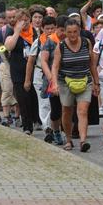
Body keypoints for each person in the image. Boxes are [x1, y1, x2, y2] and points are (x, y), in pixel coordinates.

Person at [50, 18, 100, 152]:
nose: (72, 35)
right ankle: (68, 139)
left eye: (75, 32)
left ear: (79, 31)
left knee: (83, 111)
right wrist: (54, 83)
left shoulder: (86, 42)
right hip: (66, 81)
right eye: (69, 32)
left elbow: (91, 64)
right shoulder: (61, 46)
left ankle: (83, 141)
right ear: (65, 32)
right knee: (67, 110)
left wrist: (96, 82)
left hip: (84, 80)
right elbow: (55, 66)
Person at [4, 8, 40, 135]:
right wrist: (17, 31)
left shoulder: (35, 34)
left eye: (26, 20)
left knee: (33, 98)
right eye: (21, 20)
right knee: (23, 99)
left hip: (35, 72)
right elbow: (9, 47)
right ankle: (27, 126)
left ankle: (37, 119)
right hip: (18, 72)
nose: (24, 23)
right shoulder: (11, 34)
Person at [25, 15, 56, 142]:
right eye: (47, 29)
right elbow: (31, 62)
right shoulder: (38, 43)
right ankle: (47, 127)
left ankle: (55, 126)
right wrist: (27, 80)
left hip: (55, 75)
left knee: (54, 103)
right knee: (44, 103)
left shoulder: (58, 41)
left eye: (52, 29)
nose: (50, 31)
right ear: (42, 28)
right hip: (39, 75)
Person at [40, 15, 68, 145]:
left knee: (68, 108)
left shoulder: (72, 39)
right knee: (56, 110)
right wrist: (51, 77)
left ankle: (67, 134)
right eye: (61, 30)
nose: (63, 33)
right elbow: (44, 61)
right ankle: (56, 130)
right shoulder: (50, 41)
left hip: (69, 79)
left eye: (65, 30)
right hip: (54, 79)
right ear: (57, 28)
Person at [0, 9, 20, 126]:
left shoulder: (22, 29)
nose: (12, 19)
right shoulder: (2, 31)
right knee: (7, 89)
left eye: (14, 16)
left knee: (18, 91)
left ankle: (18, 116)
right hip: (5, 63)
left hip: (20, 63)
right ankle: (6, 116)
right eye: (9, 17)